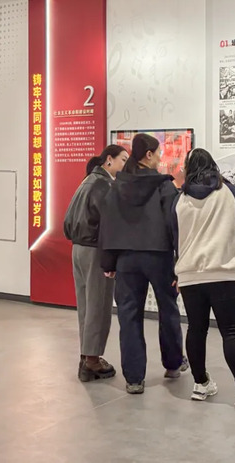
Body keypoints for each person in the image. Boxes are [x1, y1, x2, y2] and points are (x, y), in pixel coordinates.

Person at [172, 148, 235, 409]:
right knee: (231, 333)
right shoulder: (227, 190)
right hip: (223, 272)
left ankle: (201, 384)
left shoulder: (180, 198)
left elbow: (173, 236)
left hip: (189, 274)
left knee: (196, 330)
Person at [99, 133, 187, 395]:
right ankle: (173, 364)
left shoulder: (117, 186)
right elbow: (174, 226)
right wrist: (180, 263)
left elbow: (108, 224)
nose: (160, 158)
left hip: (126, 259)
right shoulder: (164, 187)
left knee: (129, 316)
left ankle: (134, 378)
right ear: (148, 155)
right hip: (159, 257)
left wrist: (108, 261)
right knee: (168, 310)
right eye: (158, 153)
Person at [64, 145, 129, 382]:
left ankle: (86, 356)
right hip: (94, 251)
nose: (125, 165)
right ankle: (92, 360)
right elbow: (109, 224)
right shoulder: (104, 185)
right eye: (123, 160)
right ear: (109, 159)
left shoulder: (87, 181)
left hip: (78, 249)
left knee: (85, 305)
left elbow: (68, 220)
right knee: (98, 306)